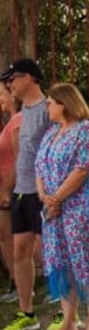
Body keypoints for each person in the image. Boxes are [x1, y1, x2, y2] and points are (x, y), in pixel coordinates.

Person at [35, 83, 89, 330]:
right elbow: (39, 166)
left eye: (50, 102)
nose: (47, 106)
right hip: (54, 212)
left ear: (63, 103)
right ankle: (69, 321)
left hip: (81, 209)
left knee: (87, 260)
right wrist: (45, 197)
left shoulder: (85, 130)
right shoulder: (51, 133)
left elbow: (84, 168)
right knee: (61, 262)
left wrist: (57, 197)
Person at [1, 58, 51, 330]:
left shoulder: (48, 108)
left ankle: (65, 312)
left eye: (14, 78)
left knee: (51, 251)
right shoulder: (20, 115)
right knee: (20, 251)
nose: (10, 84)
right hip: (22, 190)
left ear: (29, 78)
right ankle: (27, 312)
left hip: (43, 192)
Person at [0, 78, 20, 300]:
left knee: (22, 238)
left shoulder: (17, 121)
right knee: (5, 236)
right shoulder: (9, 121)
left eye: (1, 94)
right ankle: (16, 283)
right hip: (6, 187)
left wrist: (6, 188)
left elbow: (19, 157)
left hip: (11, 187)